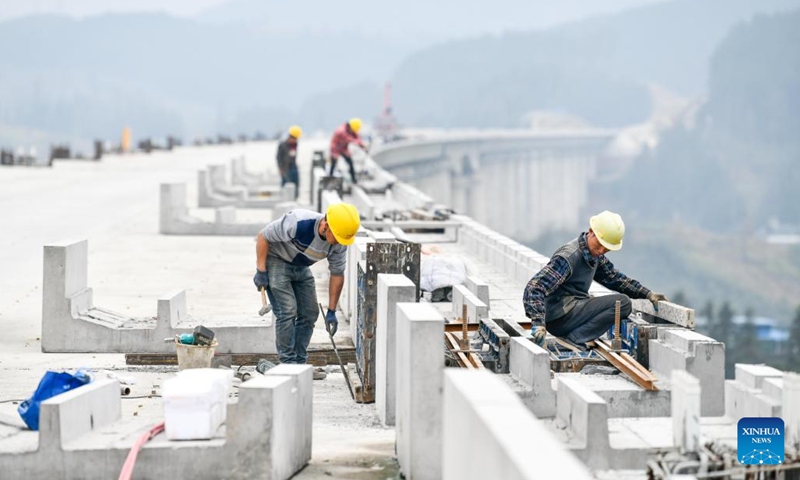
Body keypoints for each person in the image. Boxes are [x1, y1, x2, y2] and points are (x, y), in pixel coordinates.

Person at [523, 211, 668, 347]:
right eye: (599, 246)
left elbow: (615, 278)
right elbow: (535, 287)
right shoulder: (569, 257)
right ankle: (575, 338)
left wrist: (647, 294)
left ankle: (576, 336)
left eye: (606, 249)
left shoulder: (594, 255)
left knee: (612, 301)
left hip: (568, 313)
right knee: (623, 303)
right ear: (591, 232)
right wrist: (538, 322)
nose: (601, 251)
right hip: (559, 318)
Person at [253, 203, 360, 364]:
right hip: (277, 260)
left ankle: (299, 361)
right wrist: (261, 270)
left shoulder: (339, 244)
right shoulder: (298, 222)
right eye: (338, 237)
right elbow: (263, 236)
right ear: (326, 225)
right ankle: (288, 363)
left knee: (310, 313)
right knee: (287, 310)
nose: (340, 242)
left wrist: (332, 311)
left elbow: (337, 274)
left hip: (301, 266)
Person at [329, 117, 365, 184]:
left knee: (350, 162)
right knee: (333, 163)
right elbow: (349, 139)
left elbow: (356, 136)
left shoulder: (351, 129)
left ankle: (354, 180)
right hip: (335, 148)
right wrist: (360, 144)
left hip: (343, 148)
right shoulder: (341, 131)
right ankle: (329, 179)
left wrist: (361, 143)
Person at [276, 125, 302, 199]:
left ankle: (295, 199)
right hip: (285, 168)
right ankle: (284, 199)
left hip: (293, 166)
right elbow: (278, 157)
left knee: (295, 184)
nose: (295, 140)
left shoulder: (295, 144)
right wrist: (281, 168)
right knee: (286, 184)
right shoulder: (282, 145)